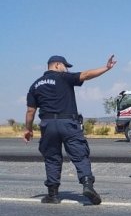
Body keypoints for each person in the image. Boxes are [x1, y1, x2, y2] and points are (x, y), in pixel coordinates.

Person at [24, 54, 117, 205]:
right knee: (80, 155)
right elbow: (86, 75)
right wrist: (106, 68)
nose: (66, 69)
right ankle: (87, 185)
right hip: (68, 123)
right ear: (56, 65)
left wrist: (28, 129)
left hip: (48, 125)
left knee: (52, 158)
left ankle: (52, 195)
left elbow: (30, 112)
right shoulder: (63, 77)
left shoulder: (35, 85)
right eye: (65, 66)